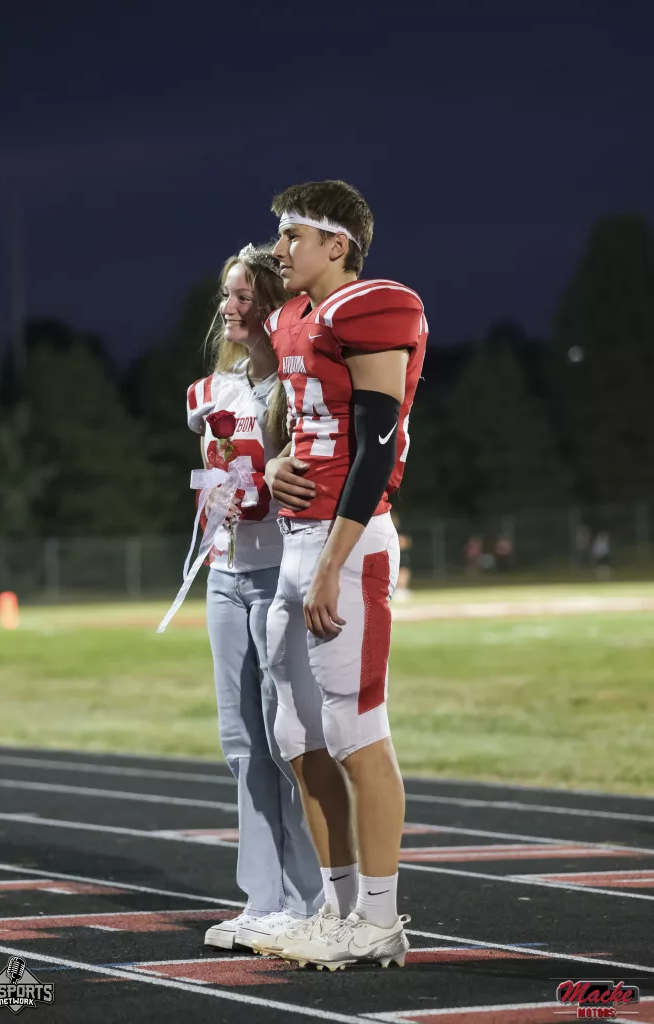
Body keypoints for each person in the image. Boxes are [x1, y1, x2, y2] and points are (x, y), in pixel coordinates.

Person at [260, 180, 428, 970]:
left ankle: (381, 918)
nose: (278, 249)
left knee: (356, 731)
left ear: (338, 244)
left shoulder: (373, 306)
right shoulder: (292, 317)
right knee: (296, 735)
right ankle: (335, 910)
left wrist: (331, 562)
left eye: (293, 235)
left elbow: (377, 444)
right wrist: (274, 461)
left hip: (345, 543)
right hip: (295, 540)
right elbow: (298, 424)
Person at [185, 243, 322, 952]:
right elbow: (212, 479)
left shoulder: (296, 393)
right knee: (240, 743)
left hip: (278, 575)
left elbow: (308, 480)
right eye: (226, 295)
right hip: (225, 575)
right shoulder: (213, 390)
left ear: (272, 305)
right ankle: (261, 899)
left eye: (243, 295)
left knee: (283, 738)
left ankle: (311, 898)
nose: (229, 307)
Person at [391, 509, 413, 600]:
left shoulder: (400, 530)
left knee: (404, 570)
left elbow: (406, 542)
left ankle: (402, 589)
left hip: (401, 554)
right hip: (390, 554)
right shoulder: (386, 531)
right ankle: (396, 590)